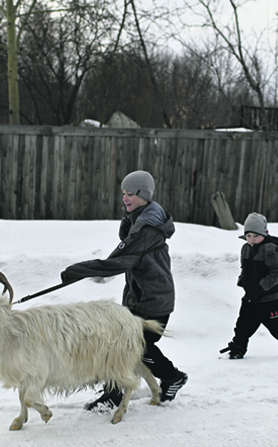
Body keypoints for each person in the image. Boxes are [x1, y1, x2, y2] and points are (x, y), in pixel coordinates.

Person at [60, 170, 188, 411]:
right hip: (138, 297)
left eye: (130, 194)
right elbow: (124, 254)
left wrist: (81, 270)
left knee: (134, 348)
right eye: (123, 194)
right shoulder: (139, 219)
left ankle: (171, 377)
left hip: (153, 301)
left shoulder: (147, 228)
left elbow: (121, 261)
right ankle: (115, 393)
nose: (125, 199)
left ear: (144, 195)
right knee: (121, 346)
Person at [221, 212, 278, 360]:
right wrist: (243, 281)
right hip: (250, 297)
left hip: (268, 299)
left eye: (256, 236)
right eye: (248, 235)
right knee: (242, 326)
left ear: (265, 234)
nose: (252, 239)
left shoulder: (269, 249)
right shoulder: (245, 248)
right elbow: (245, 268)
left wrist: (262, 285)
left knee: (276, 326)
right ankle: (238, 348)